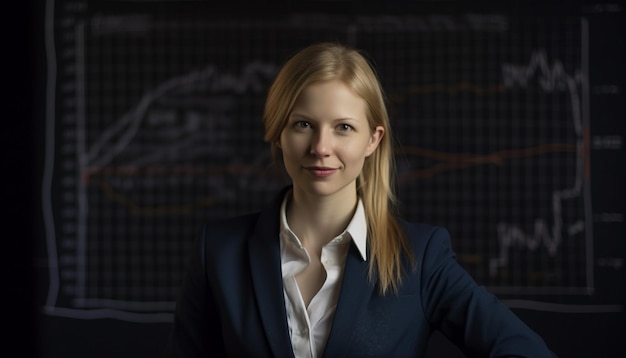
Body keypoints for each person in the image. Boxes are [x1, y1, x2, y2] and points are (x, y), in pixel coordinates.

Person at [164, 42, 555, 357]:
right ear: (278, 133)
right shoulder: (218, 251)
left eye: (343, 128)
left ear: (373, 140)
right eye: (303, 124)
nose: (321, 147)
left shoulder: (420, 258)